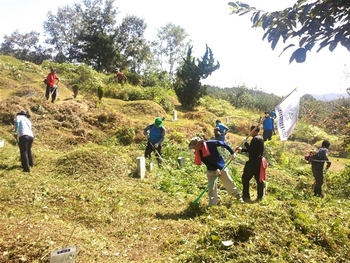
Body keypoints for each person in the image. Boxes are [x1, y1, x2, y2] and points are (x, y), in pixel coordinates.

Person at [188, 137, 243, 206]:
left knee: (229, 183)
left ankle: (238, 197)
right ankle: (212, 205)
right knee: (211, 189)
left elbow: (223, 144)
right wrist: (215, 169)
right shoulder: (197, 152)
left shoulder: (211, 144)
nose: (194, 149)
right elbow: (207, 163)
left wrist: (232, 153)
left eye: (195, 147)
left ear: (200, 144)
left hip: (221, 168)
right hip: (211, 170)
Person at [235, 125, 265, 202]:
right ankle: (260, 196)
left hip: (253, 161)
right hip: (259, 161)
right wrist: (241, 150)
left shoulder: (255, 139)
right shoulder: (261, 138)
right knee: (259, 180)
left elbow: (251, 149)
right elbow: (253, 150)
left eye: (251, 130)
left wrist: (245, 143)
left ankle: (246, 195)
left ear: (254, 130)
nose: (250, 132)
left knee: (245, 178)